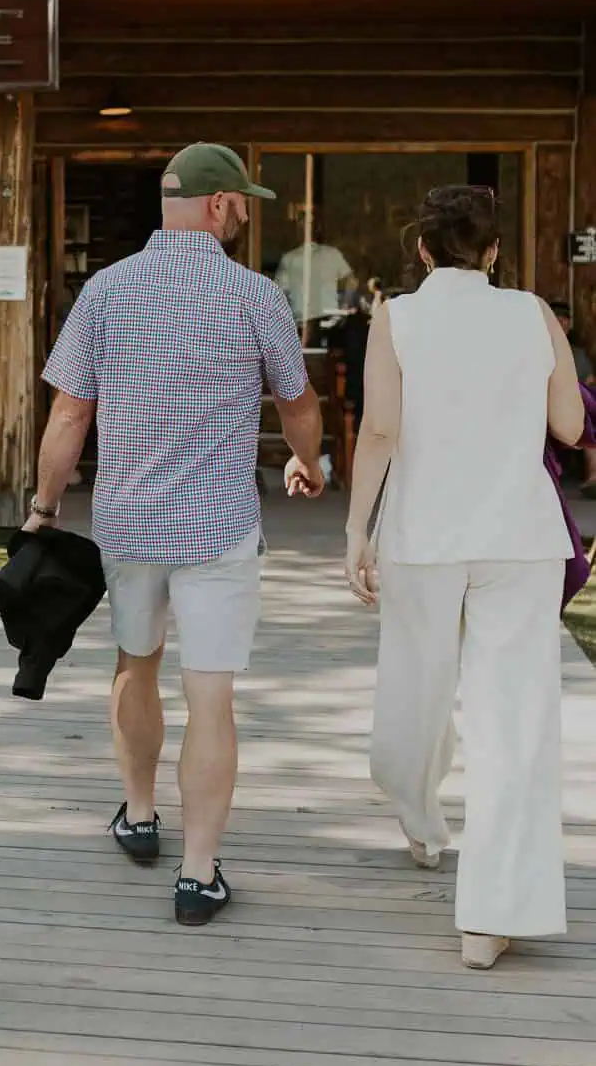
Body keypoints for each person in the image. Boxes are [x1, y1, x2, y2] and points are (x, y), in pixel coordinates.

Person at [29, 142, 325, 927]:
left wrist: (43, 505)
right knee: (211, 696)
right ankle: (197, 875)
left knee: (134, 664)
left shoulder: (105, 290)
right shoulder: (251, 294)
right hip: (219, 527)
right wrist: (308, 463)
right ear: (219, 204)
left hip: (128, 523)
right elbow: (295, 402)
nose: (243, 216)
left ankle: (137, 812)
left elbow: (68, 412)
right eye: (242, 204)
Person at [346, 186, 585, 971]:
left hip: (423, 536)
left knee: (411, 697)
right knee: (514, 724)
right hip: (518, 536)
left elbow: (379, 427)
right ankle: (490, 919)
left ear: (421, 249)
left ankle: (418, 815)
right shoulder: (531, 314)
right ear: (490, 252)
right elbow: (571, 426)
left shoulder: (398, 318)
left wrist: (357, 529)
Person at [550, 299, 596, 495]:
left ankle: (594, 474)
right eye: (557, 319)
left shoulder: (577, 354)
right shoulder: (537, 347)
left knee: (589, 415)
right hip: (547, 404)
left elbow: (589, 381)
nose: (561, 323)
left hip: (573, 404)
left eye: (565, 319)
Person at [274, 224, 355, 329]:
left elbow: (278, 294)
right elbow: (351, 282)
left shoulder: (289, 259)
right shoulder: (333, 254)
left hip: (302, 322)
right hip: (331, 320)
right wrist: (344, 307)